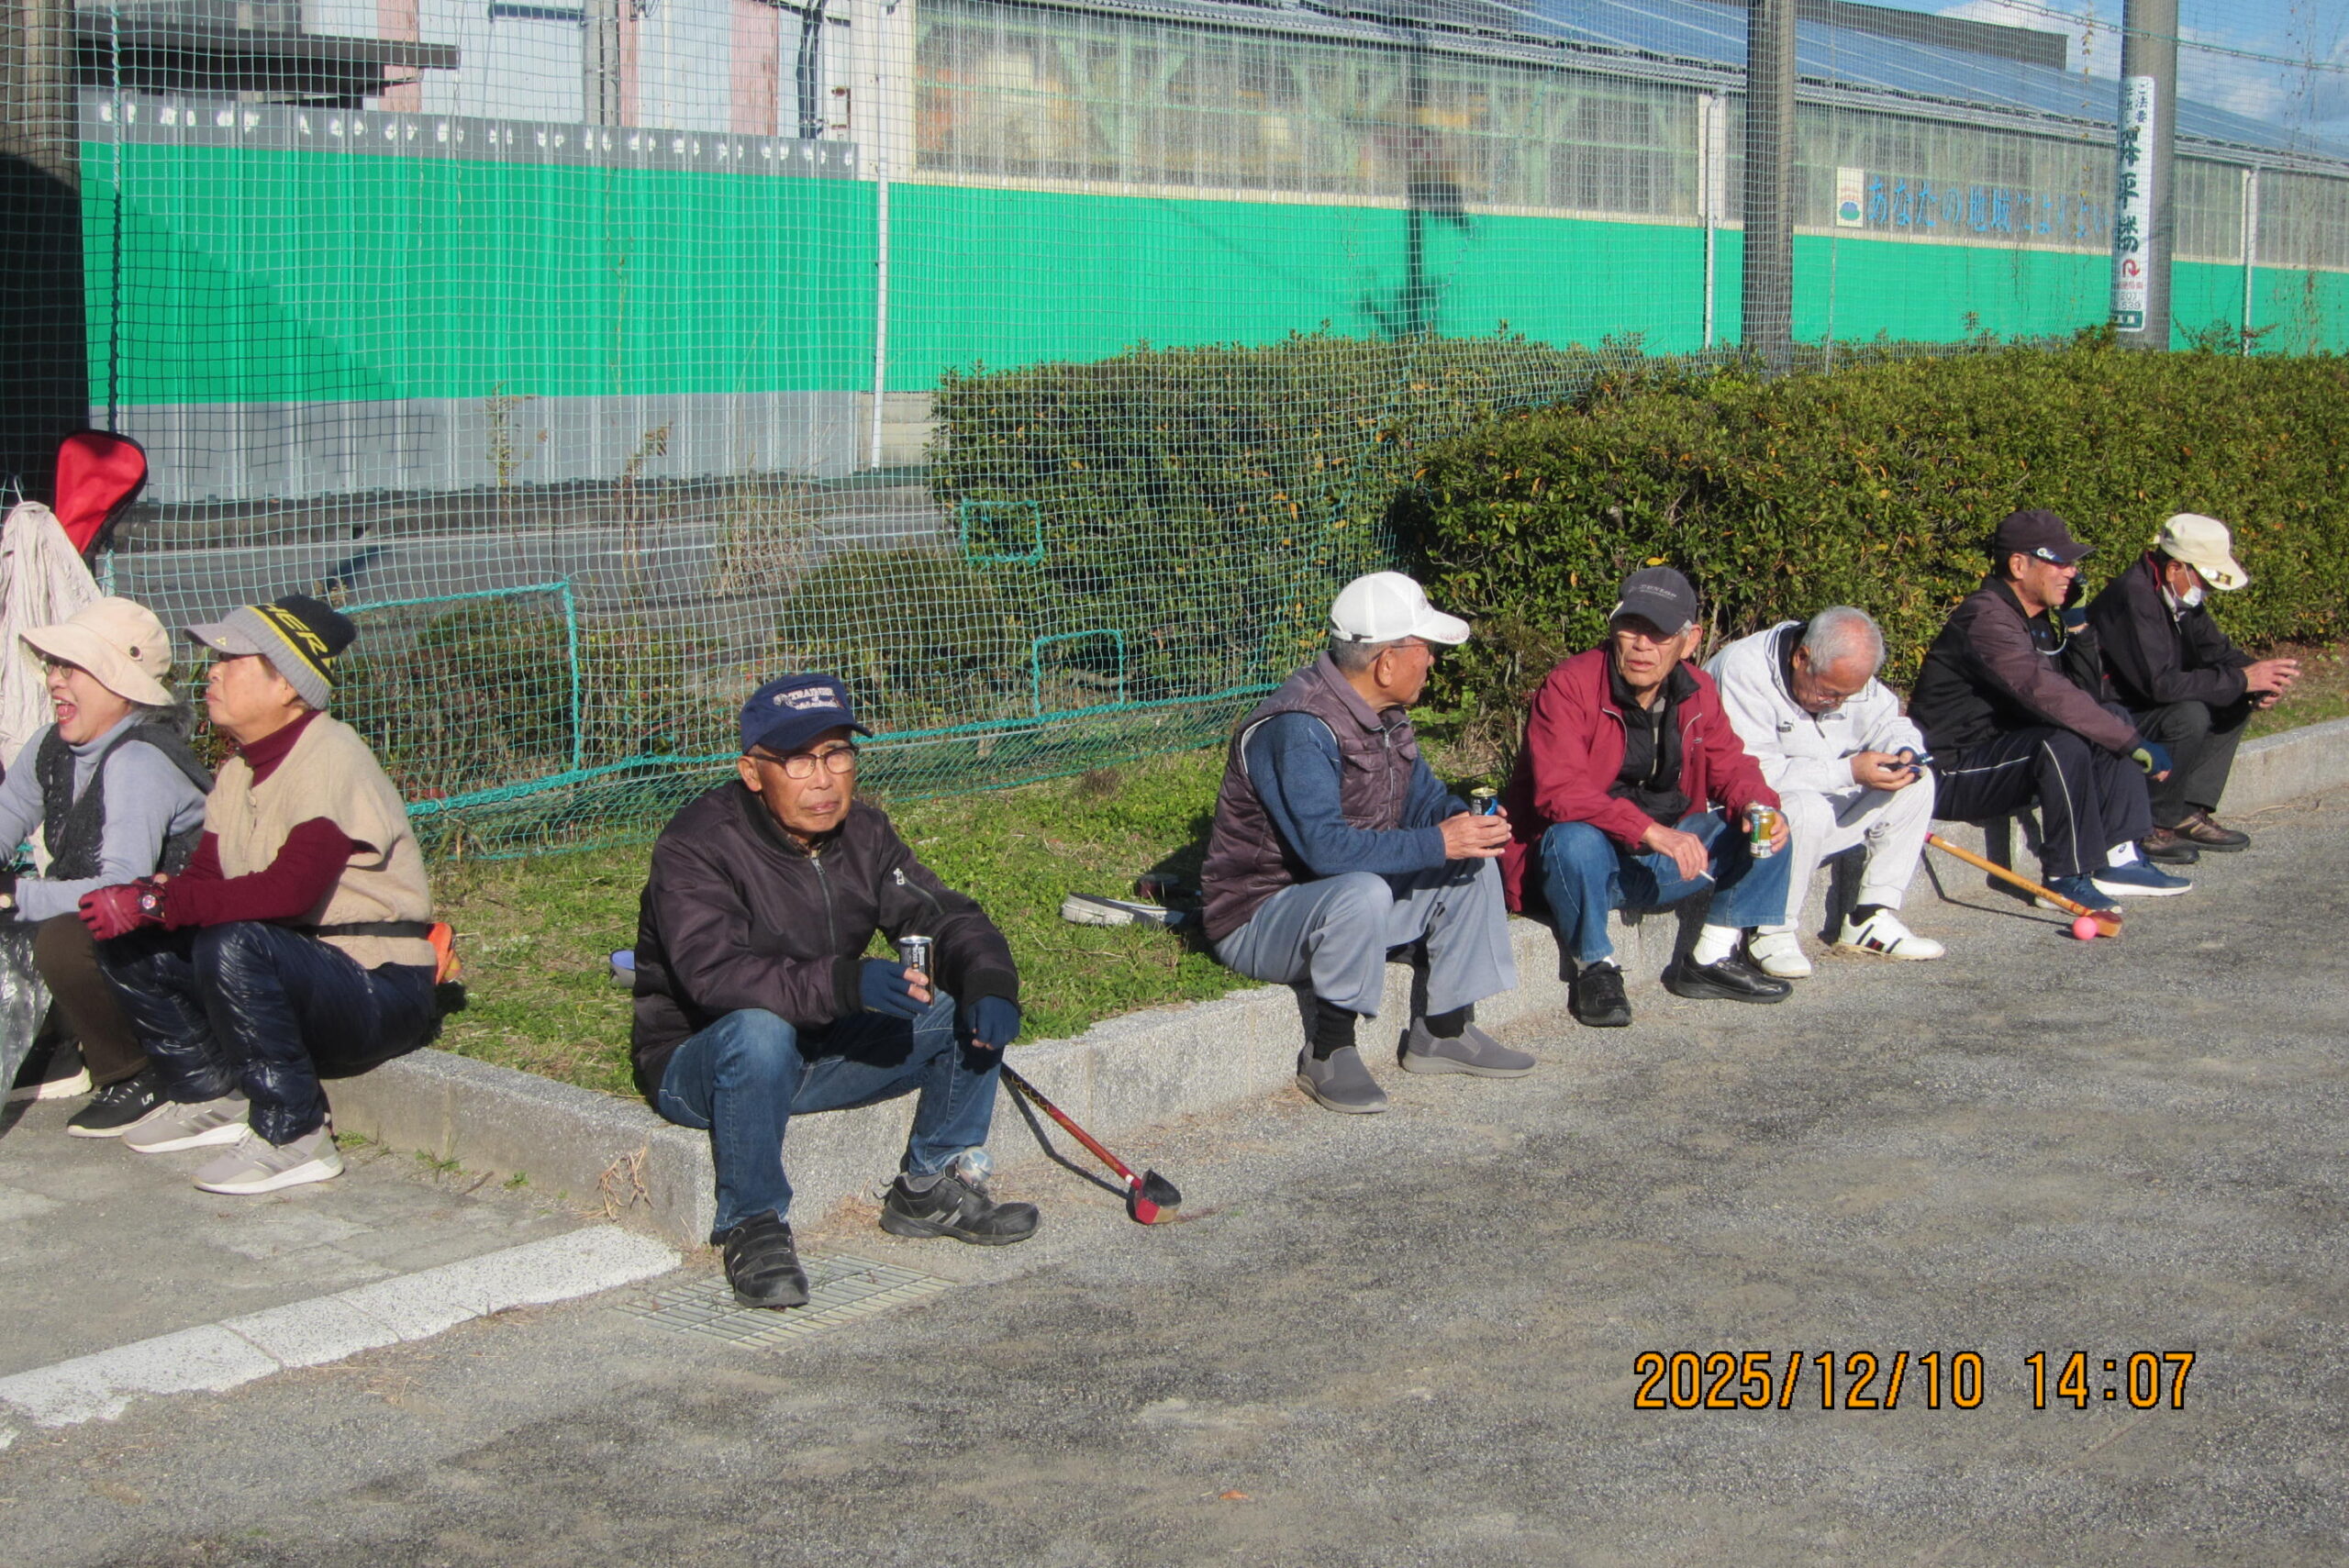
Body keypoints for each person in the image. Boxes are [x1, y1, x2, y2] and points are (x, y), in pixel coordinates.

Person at [633, 673, 1035, 1310]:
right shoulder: (696, 845)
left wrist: (991, 982)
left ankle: (931, 1183)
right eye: (798, 760)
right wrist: (844, 982)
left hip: (818, 1047)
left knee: (957, 1001)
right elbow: (715, 976)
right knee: (759, 1029)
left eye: (837, 754)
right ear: (752, 771)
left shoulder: (864, 834)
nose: (823, 780)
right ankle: (753, 1224)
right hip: (704, 1062)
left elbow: (942, 914)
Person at [79, 594, 441, 1195]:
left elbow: (289, 891)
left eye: (231, 659)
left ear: (287, 685)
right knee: (132, 940)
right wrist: (145, 901)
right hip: (295, 972)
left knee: (231, 940)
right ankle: (209, 1092)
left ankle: (295, 1132)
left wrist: (166, 903)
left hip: (376, 984)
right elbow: (204, 881)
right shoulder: (238, 771)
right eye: (214, 660)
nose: (212, 672)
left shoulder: (330, 754)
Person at [1201, 571, 1529, 1117]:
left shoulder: (1387, 718)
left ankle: (1444, 1032)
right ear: (1386, 662)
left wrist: (1464, 824)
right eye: (1425, 649)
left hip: (1339, 908)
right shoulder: (1299, 727)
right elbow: (1326, 852)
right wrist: (1439, 842)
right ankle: (1330, 1051)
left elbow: (1425, 802)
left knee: (1471, 864)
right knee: (1362, 891)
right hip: (1258, 921)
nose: (1432, 661)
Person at [1500, 566, 1793, 1029]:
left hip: (1662, 857)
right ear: (1614, 627)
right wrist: (1649, 831)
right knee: (1571, 838)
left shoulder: (1698, 689)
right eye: (1631, 626)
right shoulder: (1569, 684)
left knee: (1767, 823)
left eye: (1659, 633)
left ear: (1689, 641)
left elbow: (1731, 765)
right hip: (1582, 867)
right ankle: (1594, 967)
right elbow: (1560, 792)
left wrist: (1758, 805)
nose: (1642, 645)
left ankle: (1712, 957)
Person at [1909, 509, 2190, 913]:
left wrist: (2077, 626)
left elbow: (2086, 697)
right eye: (2059, 562)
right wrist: (2132, 744)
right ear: (2019, 565)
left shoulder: (2034, 620)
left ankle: (2119, 858)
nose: (2071, 572)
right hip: (1953, 772)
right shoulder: (1986, 618)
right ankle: (2065, 878)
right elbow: (2043, 691)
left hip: (2004, 758)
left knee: (2111, 716)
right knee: (2061, 744)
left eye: (2072, 563)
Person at [0, 599, 209, 1130]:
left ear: (120, 685)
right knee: (42, 917)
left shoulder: (140, 759)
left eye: (71, 667)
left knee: (66, 936)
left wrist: (14, 895)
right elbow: (7, 814)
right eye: (54, 665)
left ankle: (140, 1069)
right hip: (119, 920)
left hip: (179, 937)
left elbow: (121, 890)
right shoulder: (52, 746)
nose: (53, 680)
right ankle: (58, 1048)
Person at [1705, 606, 1943, 977]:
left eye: (1849, 694)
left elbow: (1890, 722)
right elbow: (1753, 777)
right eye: (1831, 694)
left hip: (1816, 803)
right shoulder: (1743, 670)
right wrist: (1849, 771)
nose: (1839, 704)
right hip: (1741, 817)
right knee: (1804, 806)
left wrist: (1905, 752)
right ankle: (1770, 929)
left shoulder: (1844, 671)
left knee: (1917, 782)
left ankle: (1871, 916)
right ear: (1802, 657)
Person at [2087, 512, 2297, 856]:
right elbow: (2160, 685)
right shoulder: (2135, 597)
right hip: (2112, 712)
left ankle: (2186, 811)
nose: (2208, 592)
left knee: (2233, 697)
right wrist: (2243, 679)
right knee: (2189, 715)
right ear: (2175, 569)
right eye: (2207, 582)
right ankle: (2150, 824)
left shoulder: (2177, 594)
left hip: (2143, 703)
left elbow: (2217, 651)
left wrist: (2260, 678)